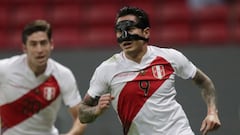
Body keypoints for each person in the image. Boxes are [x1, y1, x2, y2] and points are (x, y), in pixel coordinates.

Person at [78, 6, 221, 135]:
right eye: (119, 31)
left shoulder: (170, 57)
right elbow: (82, 113)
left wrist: (212, 112)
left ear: (146, 32)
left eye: (130, 29)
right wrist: (96, 110)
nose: (124, 36)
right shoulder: (107, 69)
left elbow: (204, 82)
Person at [0, 20, 86, 135]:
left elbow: (81, 118)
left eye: (43, 43)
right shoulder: (5, 69)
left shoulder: (63, 75)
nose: (39, 50)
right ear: (25, 48)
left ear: (51, 44)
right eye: (33, 44)